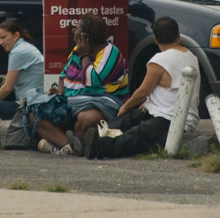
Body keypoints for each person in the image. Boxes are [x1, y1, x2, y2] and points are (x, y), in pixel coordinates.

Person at [83, 16, 200, 159]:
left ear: (155, 39)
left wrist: (124, 108)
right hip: (162, 113)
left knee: (136, 134)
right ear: (178, 35)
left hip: (170, 120)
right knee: (127, 120)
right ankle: (84, 142)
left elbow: (142, 92)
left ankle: (97, 146)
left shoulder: (160, 60)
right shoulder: (192, 56)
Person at [28, 12, 128, 156]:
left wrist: (85, 56)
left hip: (104, 106)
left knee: (86, 117)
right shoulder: (76, 51)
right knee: (35, 115)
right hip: (73, 103)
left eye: (77, 29)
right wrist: (59, 92)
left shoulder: (110, 53)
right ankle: (72, 146)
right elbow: (63, 77)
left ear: (85, 38)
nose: (73, 31)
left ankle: (62, 144)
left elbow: (93, 80)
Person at [0, 20, 44, 120]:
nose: (1, 43)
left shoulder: (18, 52)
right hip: (34, 102)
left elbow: (7, 88)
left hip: (29, 107)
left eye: (3, 37)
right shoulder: (24, 47)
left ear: (16, 35)